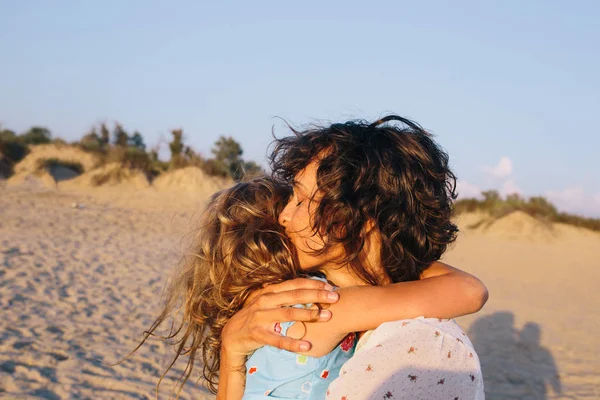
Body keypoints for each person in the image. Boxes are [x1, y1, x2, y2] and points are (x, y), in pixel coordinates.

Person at [218, 115, 487, 399]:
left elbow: (471, 291)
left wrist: (230, 353)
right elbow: (471, 289)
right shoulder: (309, 301)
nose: (284, 216)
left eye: (301, 200)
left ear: (364, 213)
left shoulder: (335, 309)